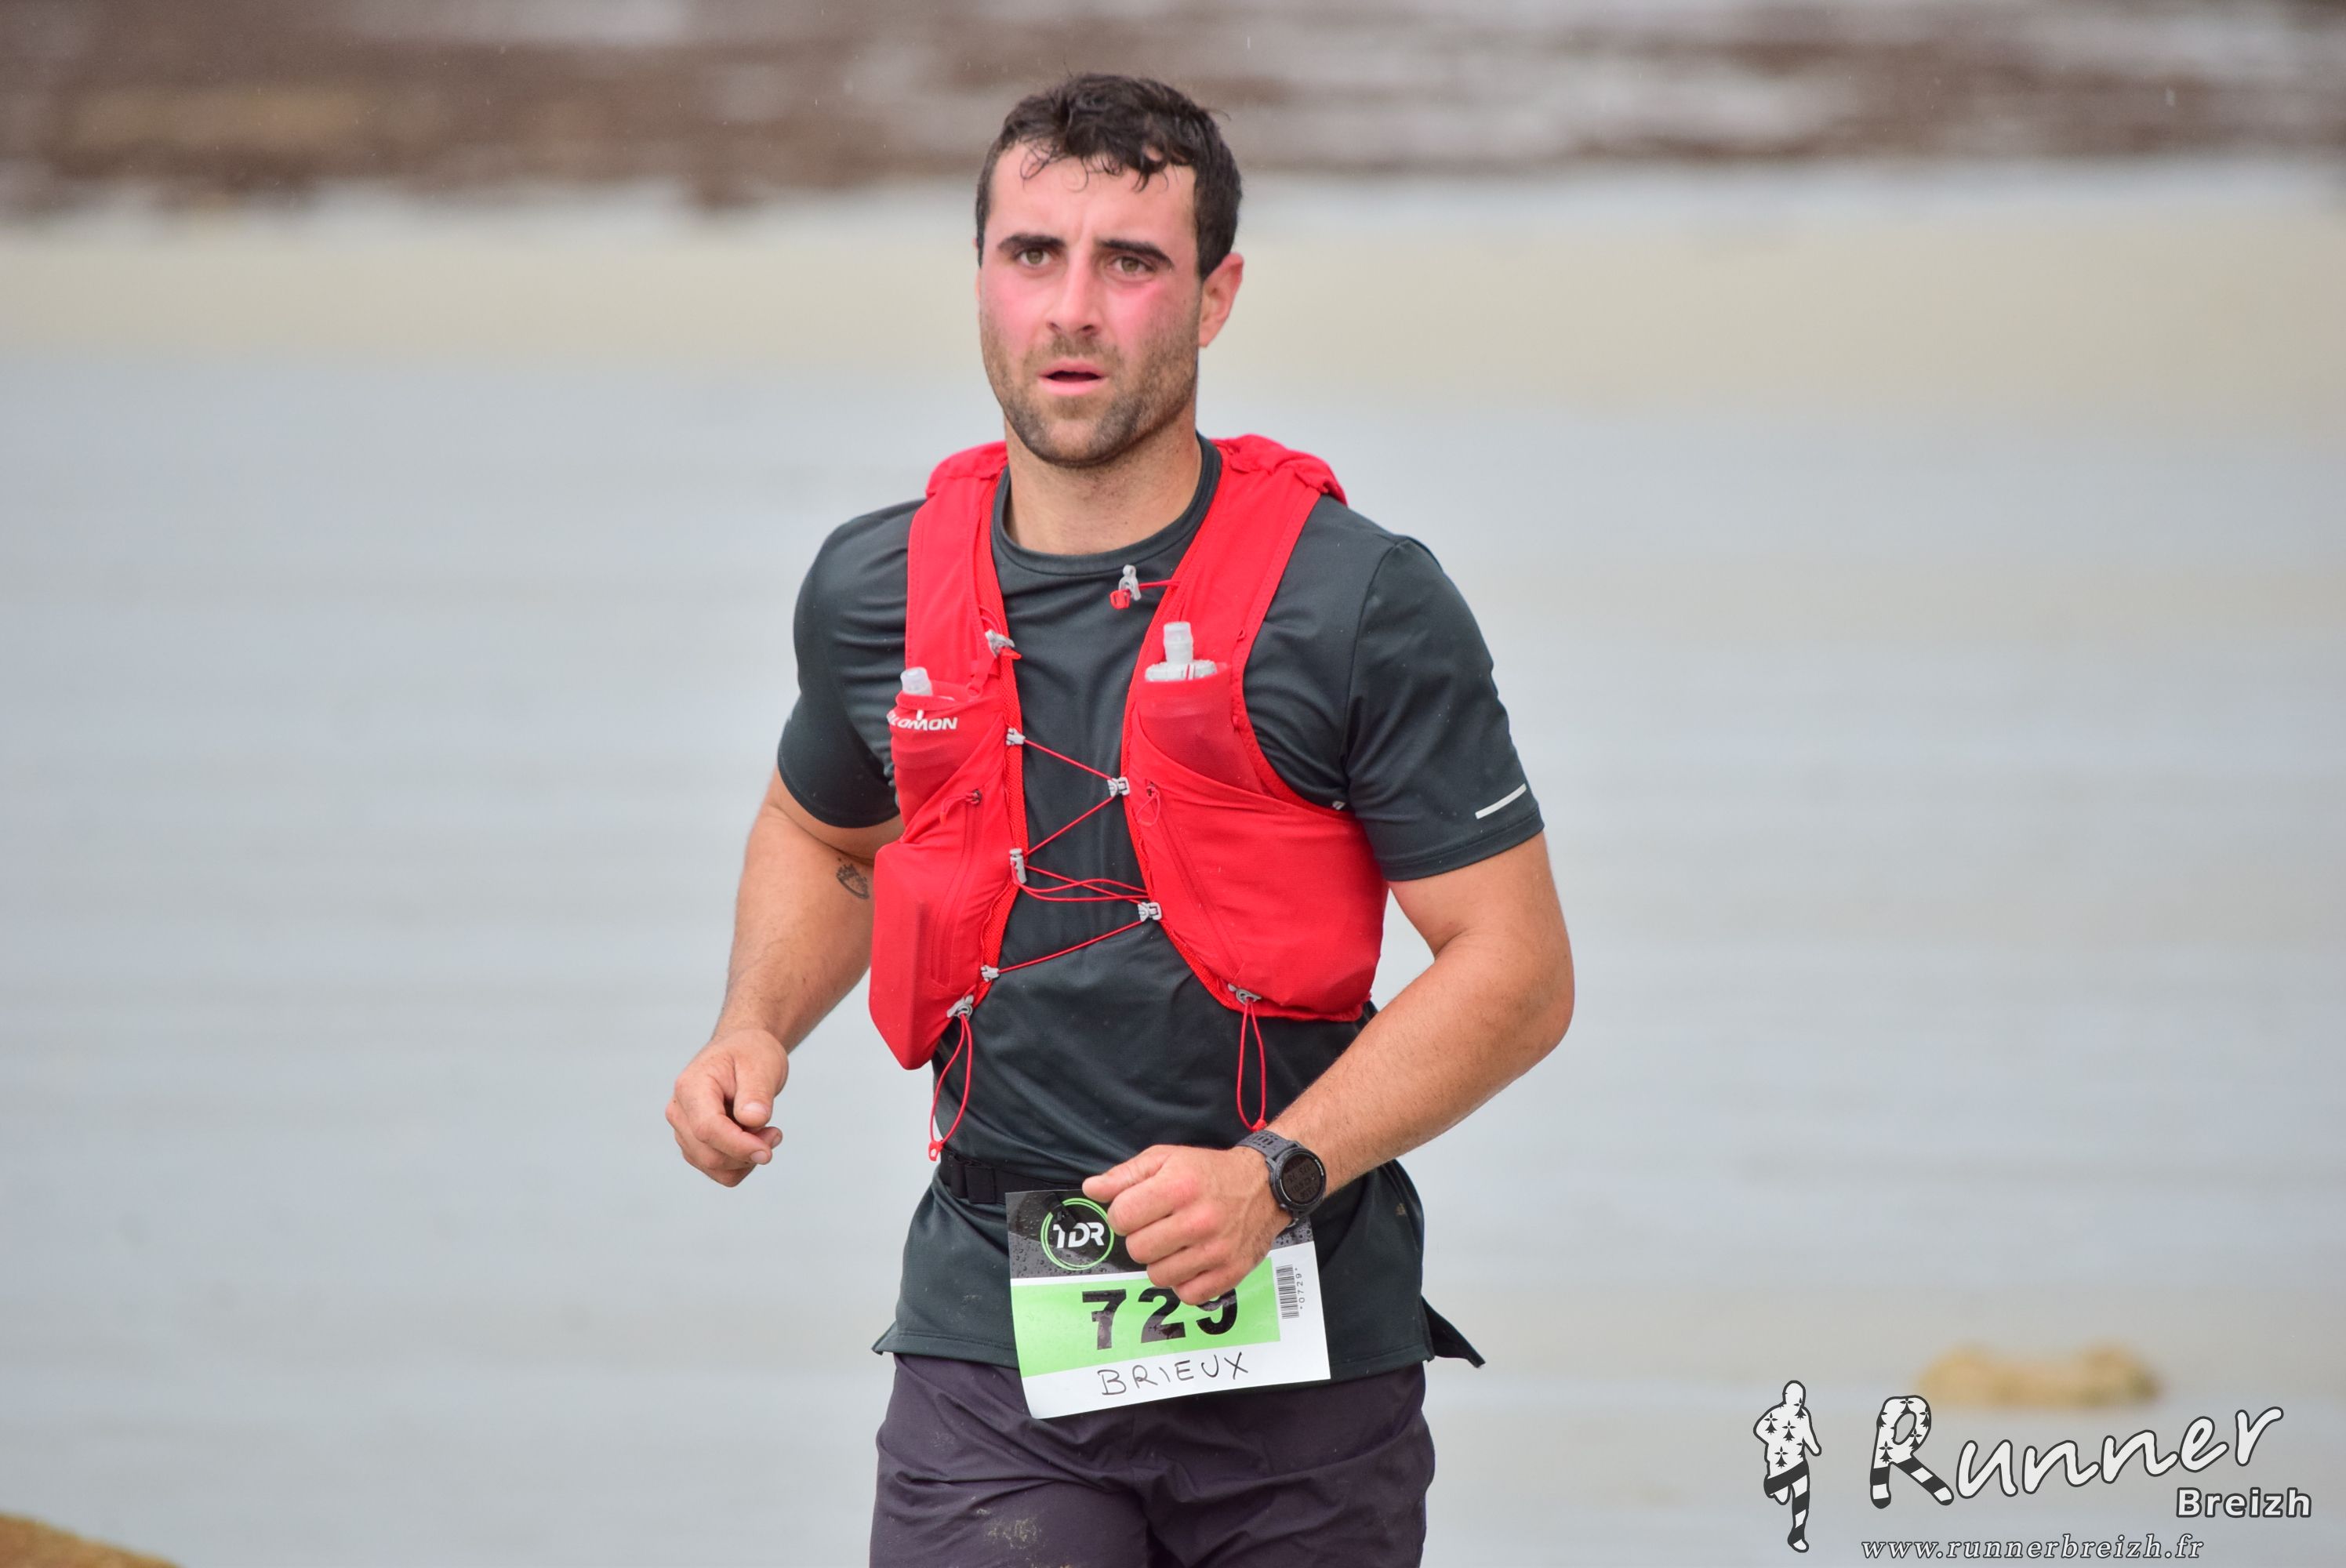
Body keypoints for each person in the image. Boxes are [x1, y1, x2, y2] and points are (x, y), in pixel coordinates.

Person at [665, 72, 1574, 1567]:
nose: (1073, 308)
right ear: (980, 276)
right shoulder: (873, 591)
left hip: (1308, 1362)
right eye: (1034, 254)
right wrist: (753, 1024)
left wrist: (1272, 1176)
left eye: (1131, 262)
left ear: (1216, 297)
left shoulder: (1359, 600)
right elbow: (824, 833)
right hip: (992, 1349)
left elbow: (1518, 970)